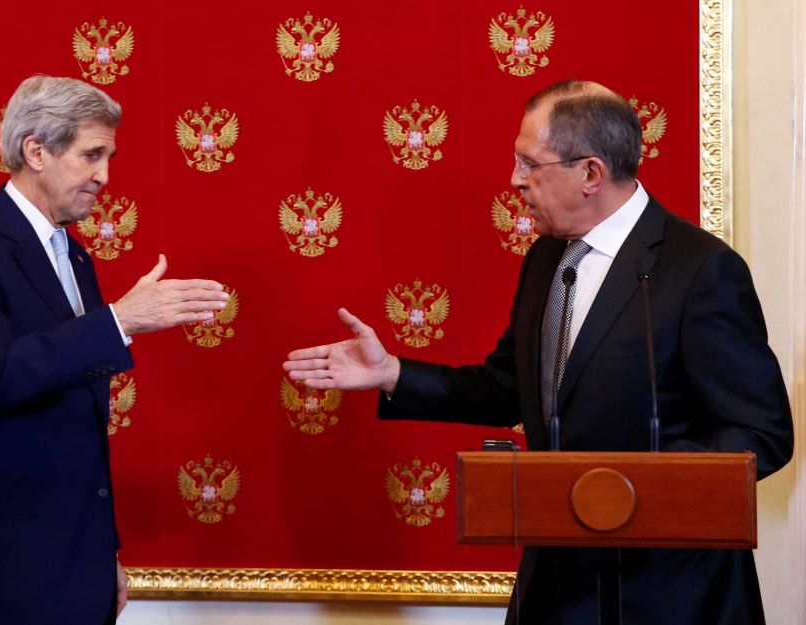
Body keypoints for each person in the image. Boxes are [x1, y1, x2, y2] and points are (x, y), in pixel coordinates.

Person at [283, 80, 794, 625]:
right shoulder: (549, 258)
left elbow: (761, 435)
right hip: (555, 589)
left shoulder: (699, 269)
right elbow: (510, 389)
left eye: (530, 163)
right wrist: (393, 374)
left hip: (671, 592)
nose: (514, 181)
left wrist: (629, 492)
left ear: (590, 174)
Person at [0, 75, 229, 625]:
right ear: (36, 150)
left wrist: (102, 550)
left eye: (109, 156)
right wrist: (120, 319)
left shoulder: (77, 256)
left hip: (76, 555)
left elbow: (75, 425)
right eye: (92, 155)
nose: (104, 176)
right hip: (5, 563)